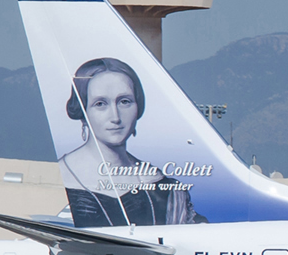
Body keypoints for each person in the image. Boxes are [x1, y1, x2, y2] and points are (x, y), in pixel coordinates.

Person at [57, 57, 205, 226]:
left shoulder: (164, 188)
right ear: (83, 111)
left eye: (124, 102)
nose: (115, 117)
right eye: (100, 104)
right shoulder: (59, 177)